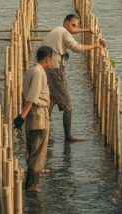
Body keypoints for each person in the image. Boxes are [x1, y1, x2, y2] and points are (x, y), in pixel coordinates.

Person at [42, 14, 106, 142]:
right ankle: (68, 136)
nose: (75, 28)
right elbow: (77, 48)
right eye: (73, 24)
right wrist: (94, 46)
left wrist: (87, 30)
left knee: (53, 98)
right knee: (68, 104)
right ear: (65, 23)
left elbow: (73, 31)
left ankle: (45, 128)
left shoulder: (59, 30)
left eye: (76, 25)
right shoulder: (64, 33)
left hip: (48, 66)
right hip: (54, 69)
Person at [13, 46, 54, 192]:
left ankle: (29, 184)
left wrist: (23, 116)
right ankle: (31, 186)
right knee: (38, 154)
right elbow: (32, 97)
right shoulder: (39, 73)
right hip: (38, 116)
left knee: (31, 152)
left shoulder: (31, 69)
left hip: (32, 117)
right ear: (48, 58)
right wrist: (22, 116)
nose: (52, 62)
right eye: (52, 59)